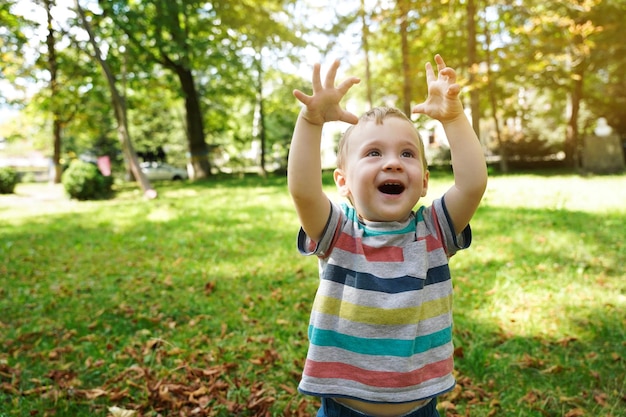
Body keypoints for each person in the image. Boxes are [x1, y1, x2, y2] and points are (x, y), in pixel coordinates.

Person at [287, 55, 487, 417]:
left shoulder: (434, 230)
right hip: (344, 408)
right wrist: (310, 120)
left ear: (424, 181)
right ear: (343, 181)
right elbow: (302, 191)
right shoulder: (338, 232)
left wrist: (454, 119)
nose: (393, 162)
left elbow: (472, 185)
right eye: (374, 152)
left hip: (420, 408)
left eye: (407, 153)